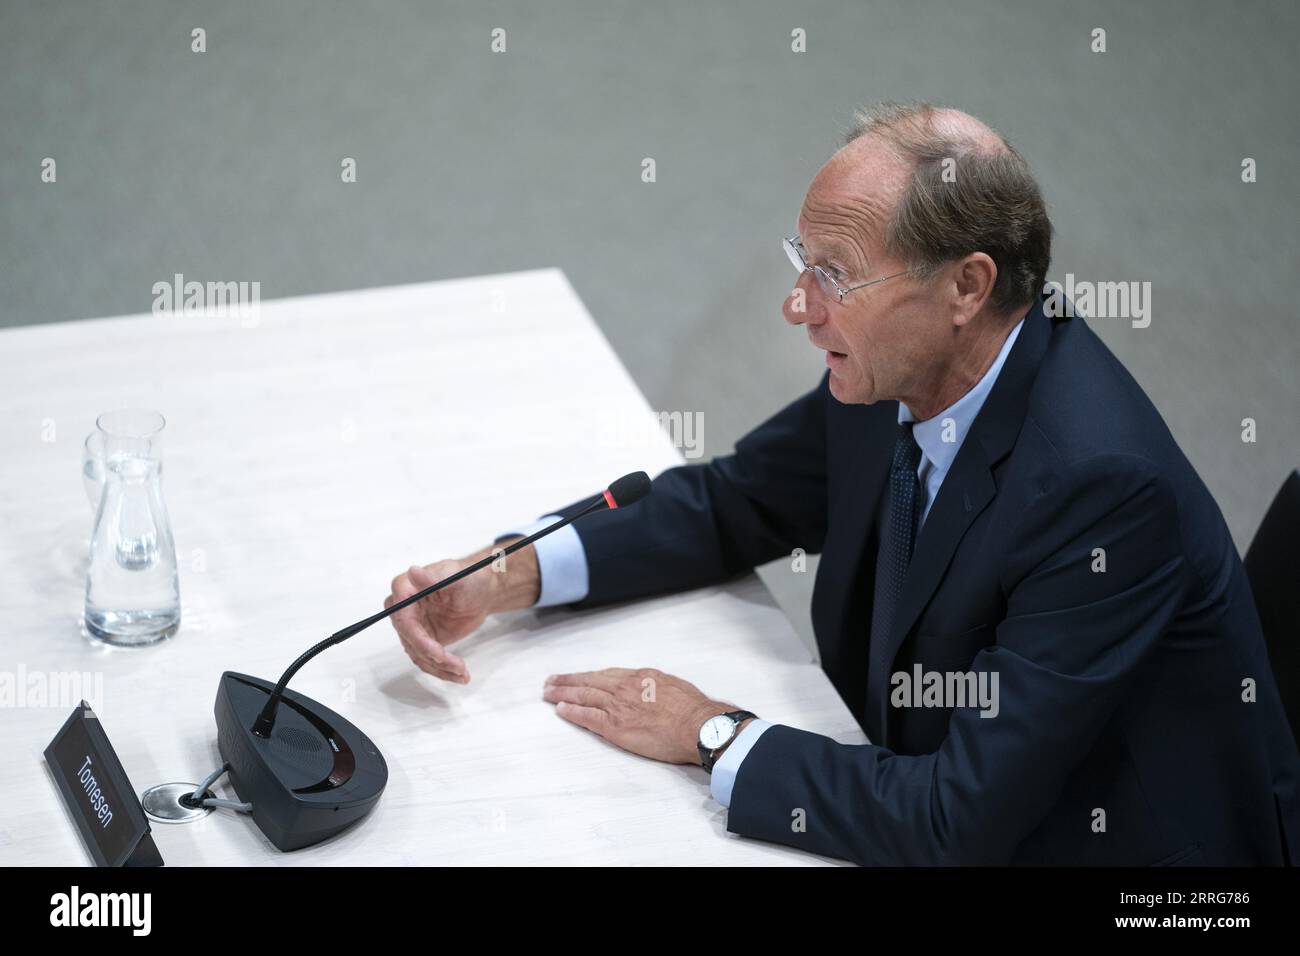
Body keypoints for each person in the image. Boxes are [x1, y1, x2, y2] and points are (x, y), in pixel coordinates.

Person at [385, 102, 1299, 865]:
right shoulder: (896, 368)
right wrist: (515, 572)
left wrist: (712, 734)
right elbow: (736, 502)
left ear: (966, 287)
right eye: (801, 263)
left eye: (834, 275)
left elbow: (955, 822)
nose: (797, 305)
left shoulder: (1101, 489)